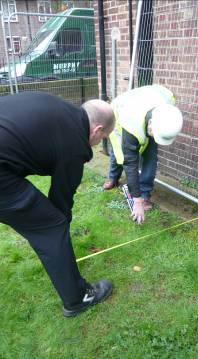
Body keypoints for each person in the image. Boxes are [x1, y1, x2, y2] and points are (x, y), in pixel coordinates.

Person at [0, 91, 115, 317]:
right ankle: (78, 298)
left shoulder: (56, 105)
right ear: (97, 130)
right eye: (102, 139)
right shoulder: (76, 143)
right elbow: (61, 201)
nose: (98, 143)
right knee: (51, 226)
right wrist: (60, 228)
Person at [103, 84, 183, 224]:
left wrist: (141, 197)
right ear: (150, 123)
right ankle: (113, 177)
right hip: (118, 114)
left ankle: (145, 193)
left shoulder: (168, 106)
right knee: (120, 153)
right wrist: (136, 200)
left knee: (150, 156)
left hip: (146, 111)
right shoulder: (131, 121)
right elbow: (130, 162)